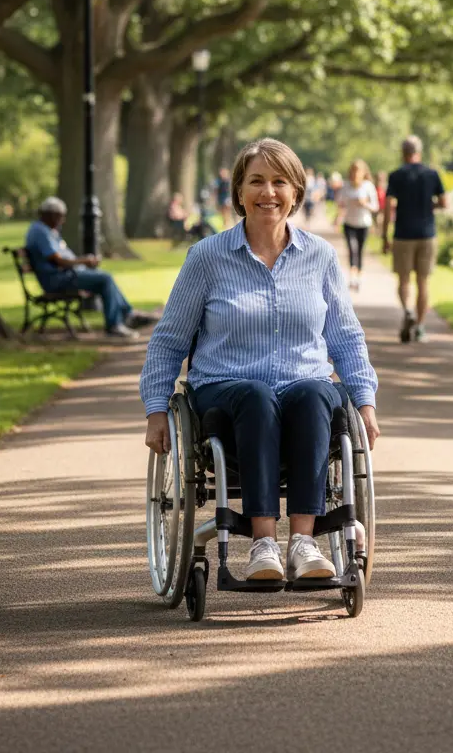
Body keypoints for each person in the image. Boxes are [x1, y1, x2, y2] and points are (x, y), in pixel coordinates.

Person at [140, 138, 380, 583]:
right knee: (256, 395)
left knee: (314, 393)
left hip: (303, 389)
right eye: (256, 181)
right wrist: (156, 408)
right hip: (226, 392)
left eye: (279, 181)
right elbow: (169, 340)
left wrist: (365, 403)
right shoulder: (207, 258)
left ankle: (304, 542)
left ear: (296, 192)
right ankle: (263, 544)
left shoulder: (320, 257)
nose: (268, 192)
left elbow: (347, 337)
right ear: (239, 191)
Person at [25, 198, 150, 339]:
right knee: (105, 279)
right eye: (60, 216)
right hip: (58, 280)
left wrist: (82, 262)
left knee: (103, 278)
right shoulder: (40, 232)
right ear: (50, 214)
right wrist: (84, 261)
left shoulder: (46, 230)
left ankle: (126, 316)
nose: (62, 221)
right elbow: (58, 260)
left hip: (66, 275)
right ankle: (117, 323)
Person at [381, 135, 446, 343]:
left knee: (404, 280)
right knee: (423, 281)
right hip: (427, 234)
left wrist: (384, 235)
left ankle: (407, 311)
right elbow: (443, 203)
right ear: (419, 151)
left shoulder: (396, 176)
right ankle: (420, 326)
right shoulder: (432, 174)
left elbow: (388, 206)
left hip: (403, 234)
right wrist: (428, 205)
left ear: (403, 153)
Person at [336, 159, 380, 291]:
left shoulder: (368, 186)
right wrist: (338, 218)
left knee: (360, 251)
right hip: (349, 223)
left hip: (363, 224)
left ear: (363, 173)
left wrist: (364, 204)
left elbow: (375, 207)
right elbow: (340, 203)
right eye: (353, 171)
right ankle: (352, 277)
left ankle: (359, 278)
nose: (355, 174)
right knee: (351, 249)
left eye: (358, 171)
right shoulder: (346, 186)